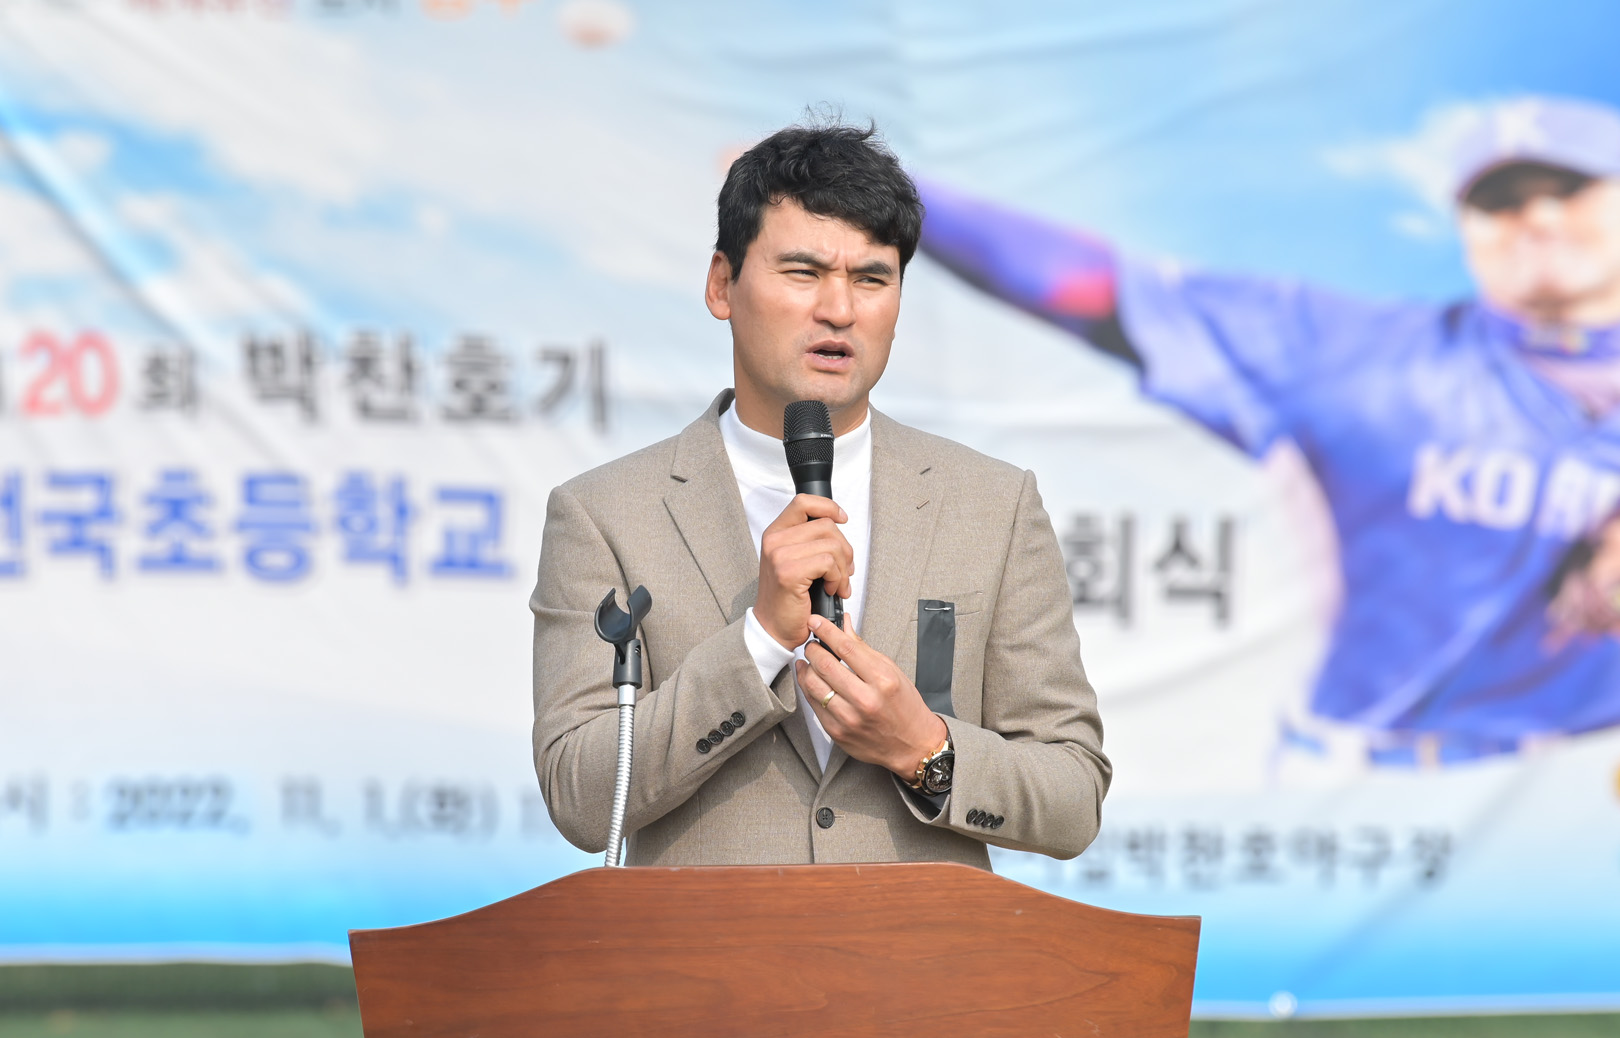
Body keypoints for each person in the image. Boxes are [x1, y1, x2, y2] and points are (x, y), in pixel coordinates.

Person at [918, 95, 1620, 767]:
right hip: (1373, 780)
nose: (1539, 217)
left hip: (1584, 793)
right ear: (1466, 226)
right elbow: (1095, 288)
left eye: (1571, 188)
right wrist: (884, 192)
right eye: (1502, 200)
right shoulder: (1355, 355)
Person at [530, 122, 1109, 865]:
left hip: (923, 944)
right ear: (721, 285)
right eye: (803, 272)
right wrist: (758, 642)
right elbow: (582, 798)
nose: (840, 309)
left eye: (871, 279)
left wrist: (924, 750)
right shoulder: (604, 514)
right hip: (705, 942)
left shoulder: (992, 506)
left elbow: (1073, 796)